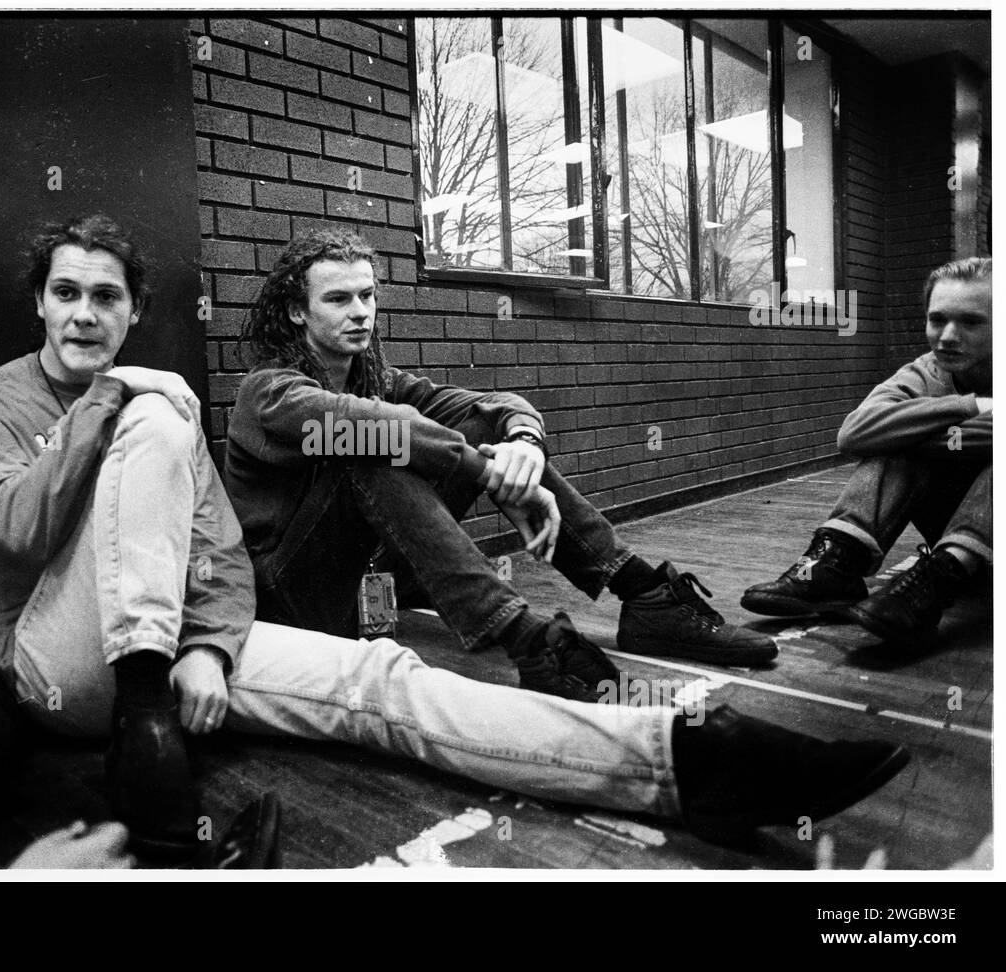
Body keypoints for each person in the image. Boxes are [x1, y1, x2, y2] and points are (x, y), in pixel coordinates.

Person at [0, 213, 909, 860]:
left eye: (108, 298)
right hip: (57, 657)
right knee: (218, 413)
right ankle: (155, 739)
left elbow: (214, 553)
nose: (87, 315)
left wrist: (515, 440)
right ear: (39, 304)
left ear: (135, 308)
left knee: (384, 684)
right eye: (67, 294)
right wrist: (108, 403)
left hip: (194, 642)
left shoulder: (267, 391)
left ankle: (682, 759)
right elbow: (8, 540)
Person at [224, 231, 775, 704]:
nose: (361, 311)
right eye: (338, 299)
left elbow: (494, 406)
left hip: (374, 576)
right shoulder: (268, 393)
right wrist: (484, 474)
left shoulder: (380, 382)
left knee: (473, 432)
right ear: (298, 311)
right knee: (371, 443)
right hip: (296, 601)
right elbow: (369, 428)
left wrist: (523, 448)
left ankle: (642, 594)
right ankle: (528, 641)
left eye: (367, 295)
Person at [742, 257, 991, 646]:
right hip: (962, 553)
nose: (947, 336)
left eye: (971, 322)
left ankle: (942, 574)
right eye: (937, 319)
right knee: (891, 438)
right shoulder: (926, 372)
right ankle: (838, 564)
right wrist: (970, 406)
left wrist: (913, 428)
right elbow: (854, 432)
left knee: (905, 432)